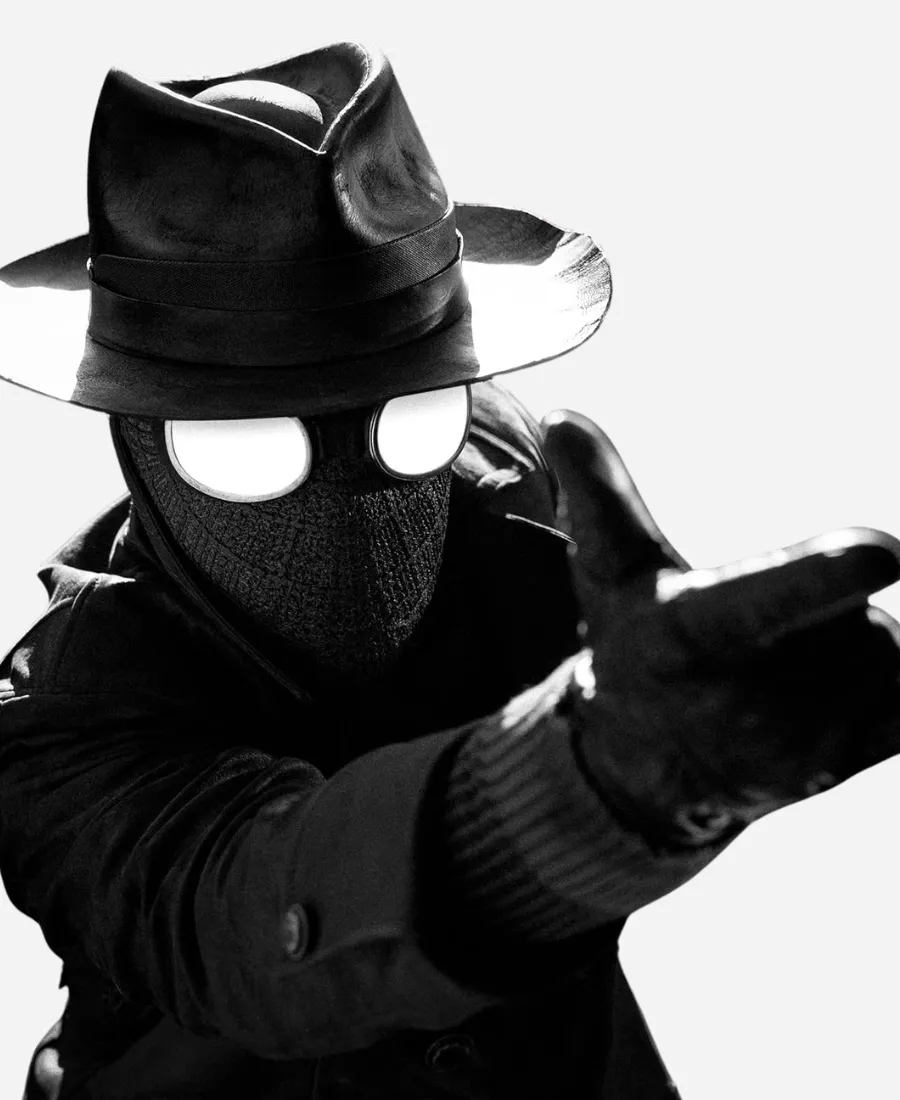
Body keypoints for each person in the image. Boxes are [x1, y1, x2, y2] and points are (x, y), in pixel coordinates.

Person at [2, 40, 900, 1100]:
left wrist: (690, 710)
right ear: (140, 441)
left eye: (409, 417)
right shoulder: (62, 719)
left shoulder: (514, 498)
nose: (351, 489)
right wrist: (579, 785)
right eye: (246, 446)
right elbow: (246, 916)